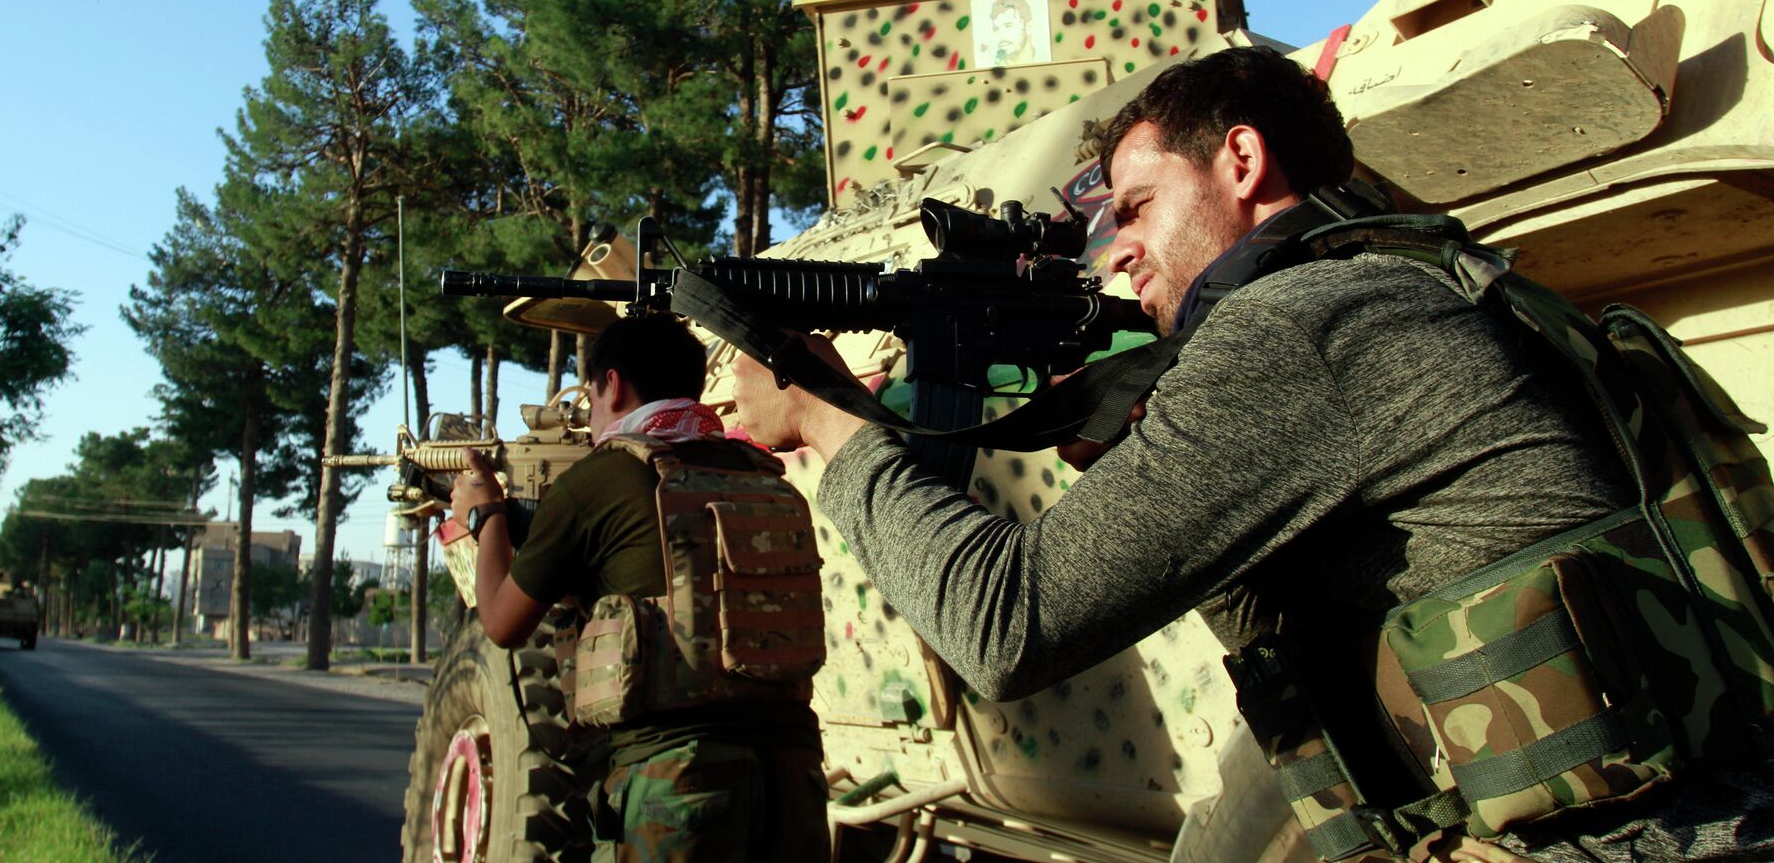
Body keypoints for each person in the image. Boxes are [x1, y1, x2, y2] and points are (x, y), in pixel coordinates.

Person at [731, 47, 1774, 863]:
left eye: (1137, 207)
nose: (1118, 249)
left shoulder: (1303, 327)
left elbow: (1001, 628)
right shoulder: (1422, 280)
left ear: (1241, 160)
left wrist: (832, 423)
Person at [451, 311, 828, 862]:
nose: (592, 419)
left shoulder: (600, 479)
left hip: (676, 785)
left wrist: (486, 517)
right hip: (795, 779)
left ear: (613, 384)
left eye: (592, 400)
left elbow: (502, 623)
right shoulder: (756, 470)